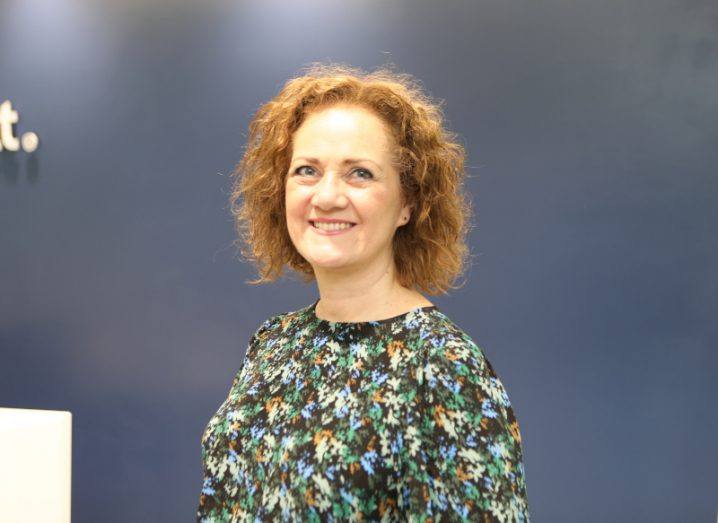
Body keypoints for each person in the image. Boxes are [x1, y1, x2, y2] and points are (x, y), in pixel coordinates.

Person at [196, 62, 530, 522]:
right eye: (307, 170)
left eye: (360, 174)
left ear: (408, 205)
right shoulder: (272, 344)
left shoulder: (443, 368)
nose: (327, 196)